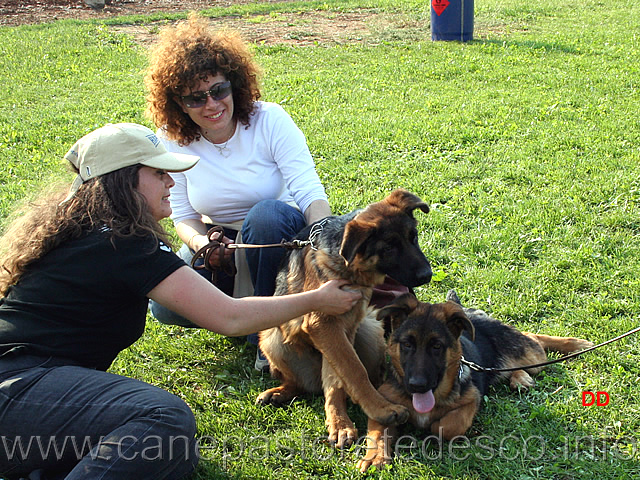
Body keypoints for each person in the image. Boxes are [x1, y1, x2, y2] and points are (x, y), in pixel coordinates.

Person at [0, 123, 361, 480]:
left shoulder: (86, 228)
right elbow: (230, 317)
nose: (171, 182)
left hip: (27, 390)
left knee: (170, 452)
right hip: (19, 386)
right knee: (165, 422)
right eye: (159, 173)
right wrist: (318, 299)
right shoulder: (123, 242)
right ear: (123, 181)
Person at [143, 15, 332, 370]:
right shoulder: (171, 137)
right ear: (178, 103)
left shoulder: (270, 120)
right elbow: (183, 216)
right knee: (164, 307)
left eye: (218, 90)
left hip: (278, 237)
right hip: (223, 242)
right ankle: (247, 310)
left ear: (236, 84)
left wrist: (322, 241)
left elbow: (309, 192)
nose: (212, 104)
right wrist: (205, 247)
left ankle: (265, 339)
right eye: (196, 98)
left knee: (265, 215)